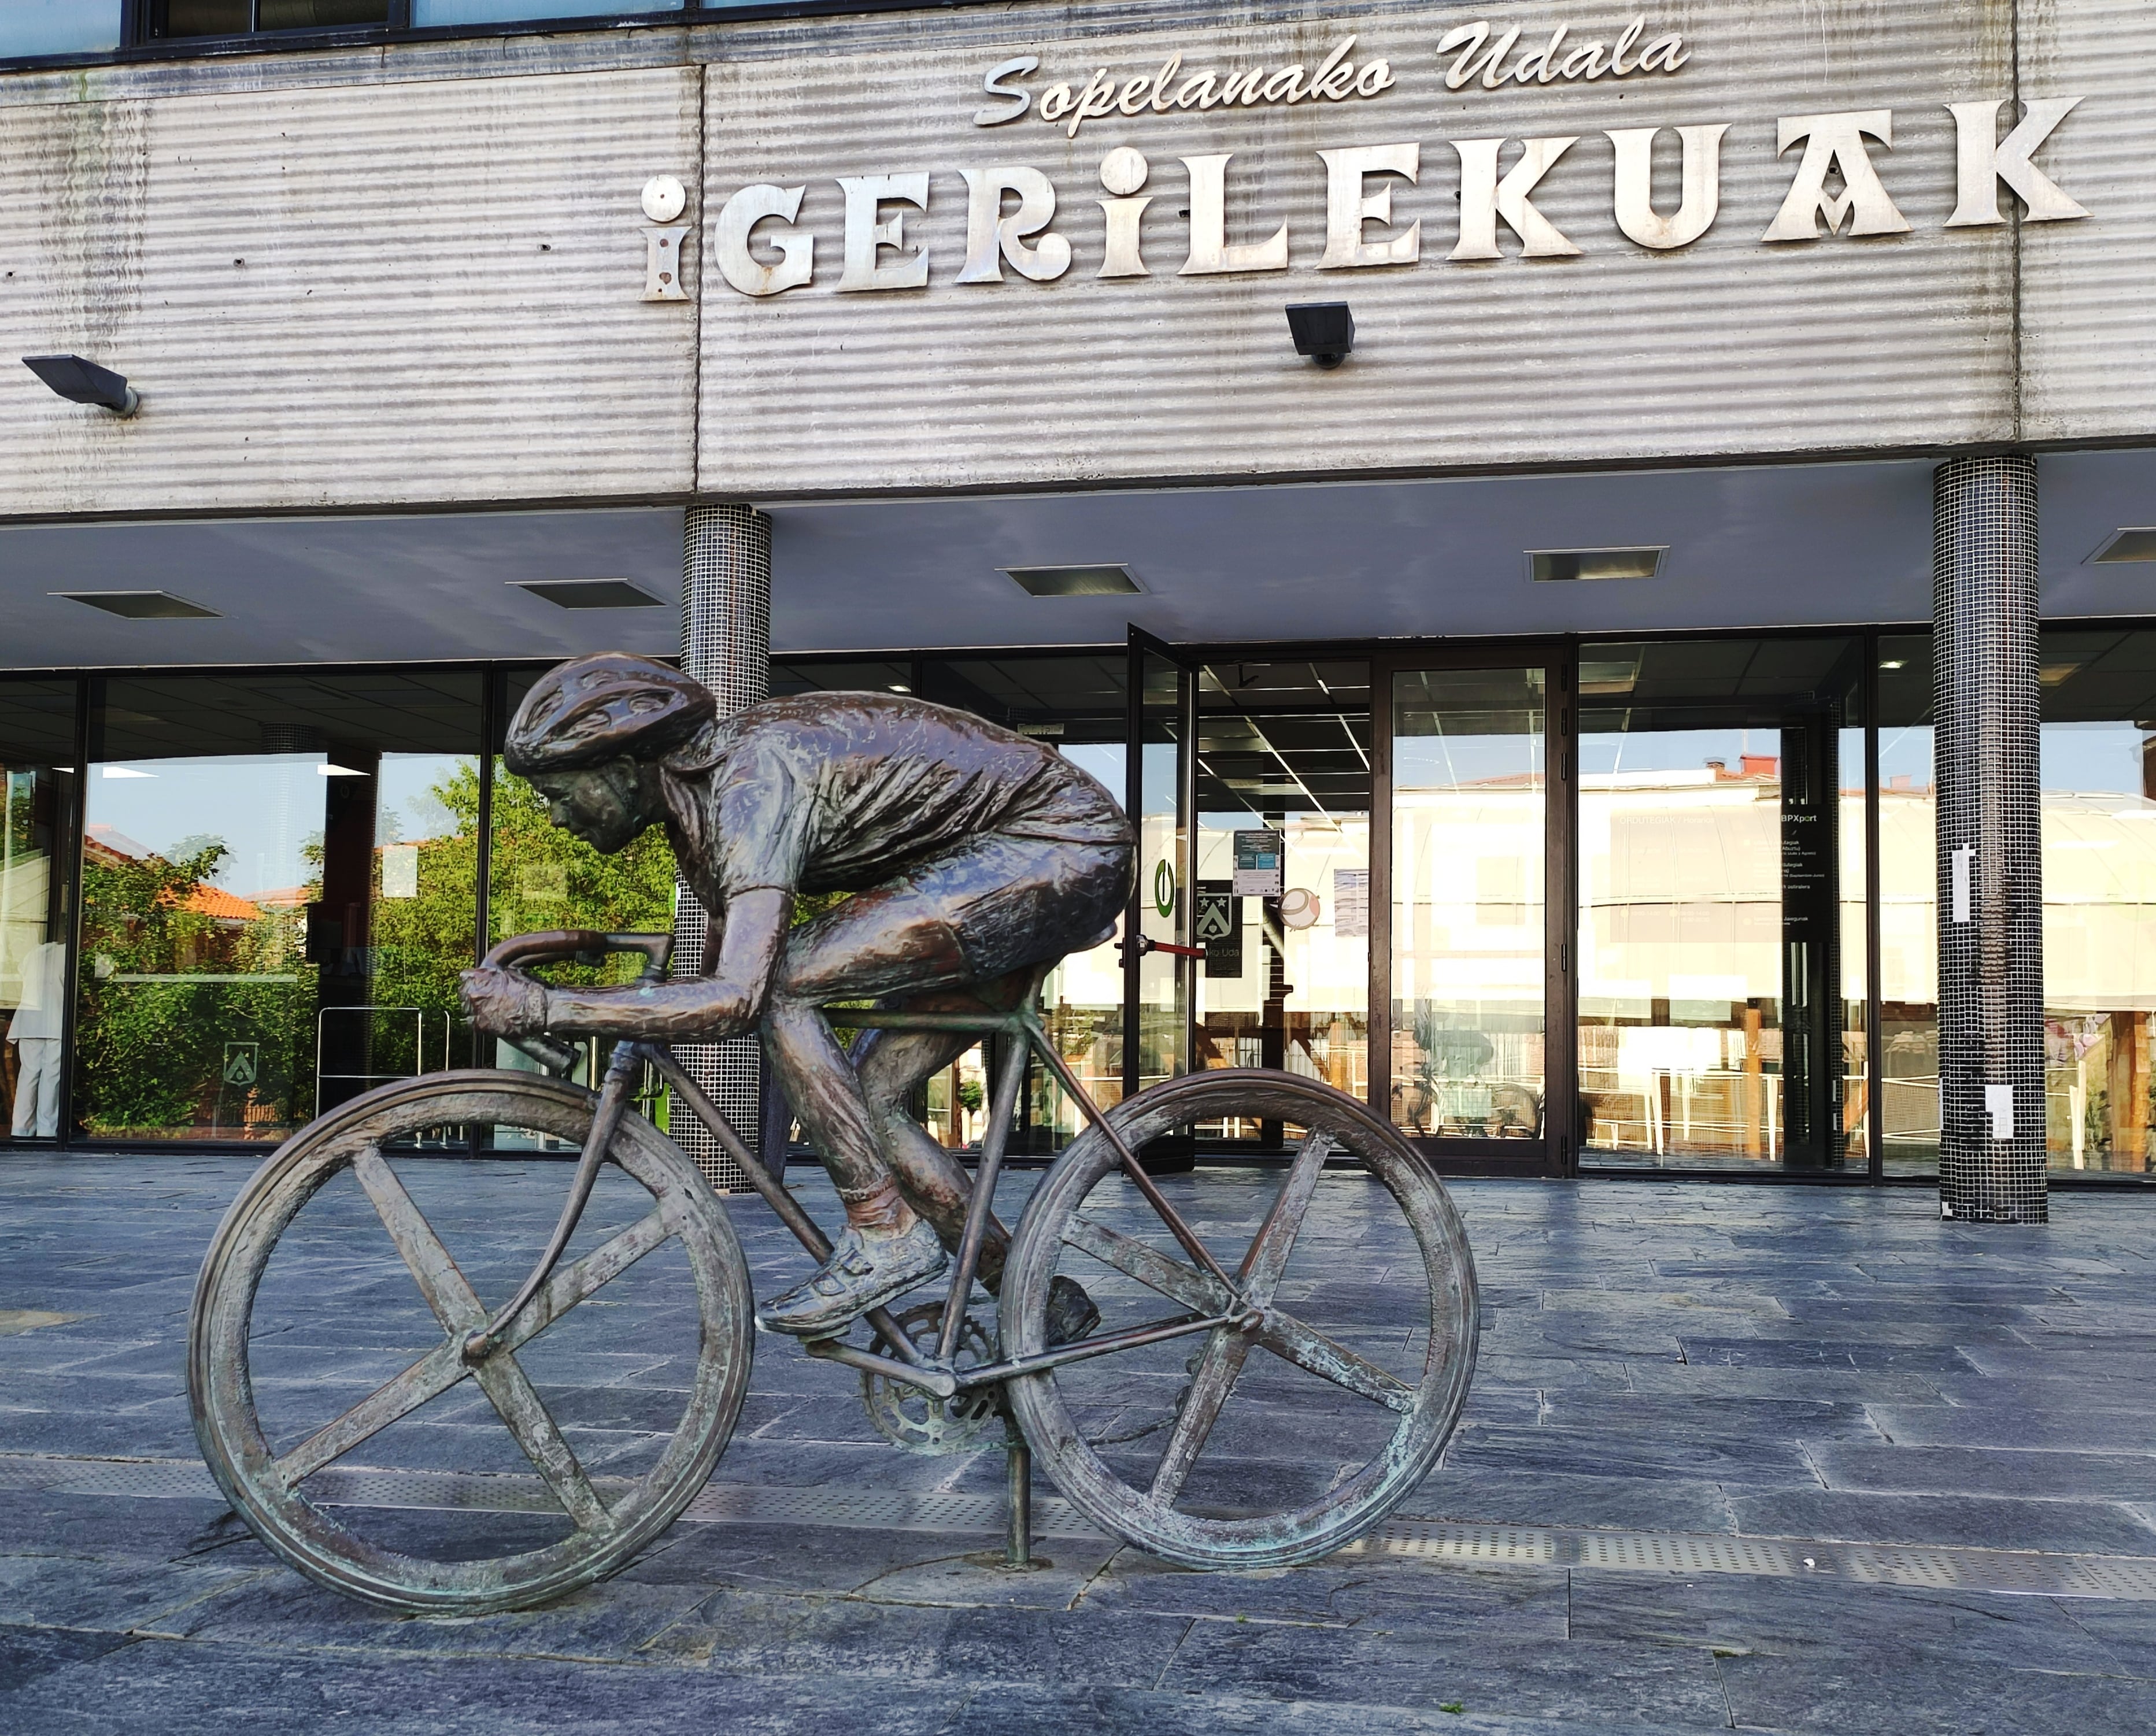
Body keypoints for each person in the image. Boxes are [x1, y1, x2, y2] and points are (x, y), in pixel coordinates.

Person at [458, 654, 1133, 1340]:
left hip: (1054, 847)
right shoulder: (700, 813)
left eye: (558, 790)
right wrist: (601, 986)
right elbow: (719, 981)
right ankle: (1031, 1292)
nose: (555, 817)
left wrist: (553, 1007)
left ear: (622, 767)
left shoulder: (749, 782)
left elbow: (740, 995)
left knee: (788, 984)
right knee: (866, 1100)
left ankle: (883, 1231)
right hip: (1015, 862)